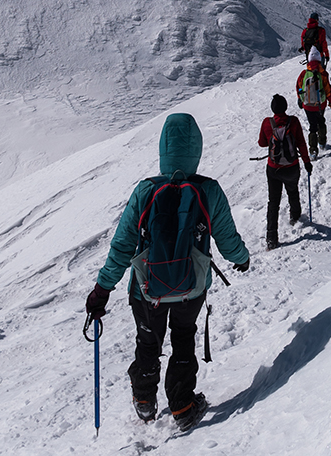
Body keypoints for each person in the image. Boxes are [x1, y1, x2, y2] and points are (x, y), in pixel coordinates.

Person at [85, 113, 249, 429]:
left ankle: (145, 402)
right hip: (192, 287)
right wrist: (241, 259)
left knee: (148, 343)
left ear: (162, 148)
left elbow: (122, 246)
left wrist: (102, 289)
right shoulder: (209, 190)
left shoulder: (145, 190)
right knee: (184, 338)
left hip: (147, 290)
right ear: (197, 150)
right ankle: (183, 406)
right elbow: (227, 237)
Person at [258, 95, 311, 249]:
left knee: (273, 202)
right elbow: (301, 142)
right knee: (293, 191)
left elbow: (262, 143)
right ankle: (295, 218)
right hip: (292, 166)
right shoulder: (293, 121)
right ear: (286, 106)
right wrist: (307, 162)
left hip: (273, 168)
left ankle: (271, 239)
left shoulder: (267, 123)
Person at [296, 50, 331, 151]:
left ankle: (313, 150)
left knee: (312, 125)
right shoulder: (323, 74)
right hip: (320, 104)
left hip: (307, 105)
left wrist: (300, 98)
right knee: (321, 121)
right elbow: (328, 90)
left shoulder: (304, 73)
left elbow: (299, 87)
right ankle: (322, 142)